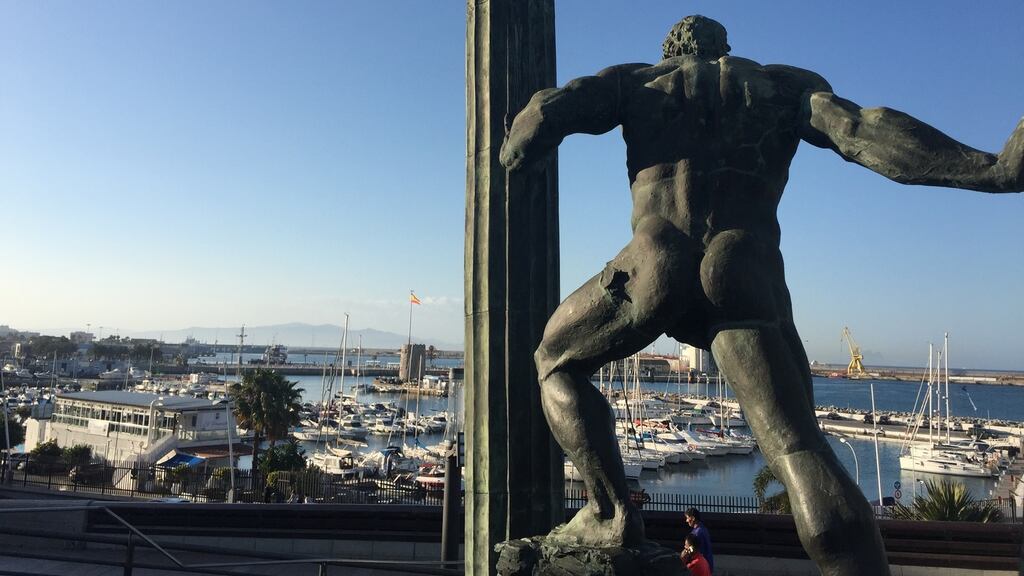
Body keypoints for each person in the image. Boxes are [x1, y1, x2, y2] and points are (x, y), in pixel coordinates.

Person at [500, 13, 1023, 574]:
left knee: (555, 361)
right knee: (798, 448)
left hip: (654, 259)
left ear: (671, 49)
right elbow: (864, 131)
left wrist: (517, 148)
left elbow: (549, 109)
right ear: (725, 48)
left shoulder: (637, 81)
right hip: (741, 264)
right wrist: (992, 170)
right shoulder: (781, 87)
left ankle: (610, 514)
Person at [685, 508, 713, 574]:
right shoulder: (703, 529)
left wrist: (686, 552)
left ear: (693, 518)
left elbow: (694, 550)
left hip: (700, 566)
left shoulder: (697, 533)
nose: (686, 520)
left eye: (687, 518)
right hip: (707, 565)